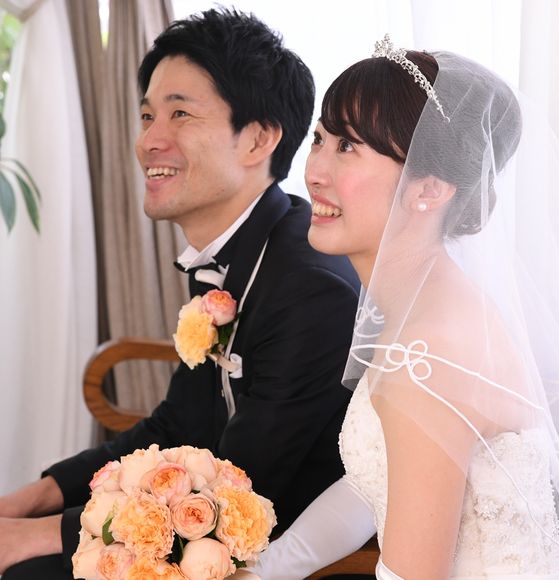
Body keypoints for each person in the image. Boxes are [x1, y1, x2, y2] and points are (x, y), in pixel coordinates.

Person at [0, 8, 360, 578]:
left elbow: (241, 484)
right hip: (204, 514)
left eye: (180, 114)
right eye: (147, 115)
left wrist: (34, 536)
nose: (149, 141)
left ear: (259, 138)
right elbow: (176, 424)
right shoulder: (227, 256)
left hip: (267, 544)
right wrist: (30, 500)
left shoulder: (310, 288)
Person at [244, 35, 559, 579]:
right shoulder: (431, 309)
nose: (315, 171)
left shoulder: (426, 357)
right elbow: (373, 483)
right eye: (320, 138)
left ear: (430, 189)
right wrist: (264, 568)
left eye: (348, 147)